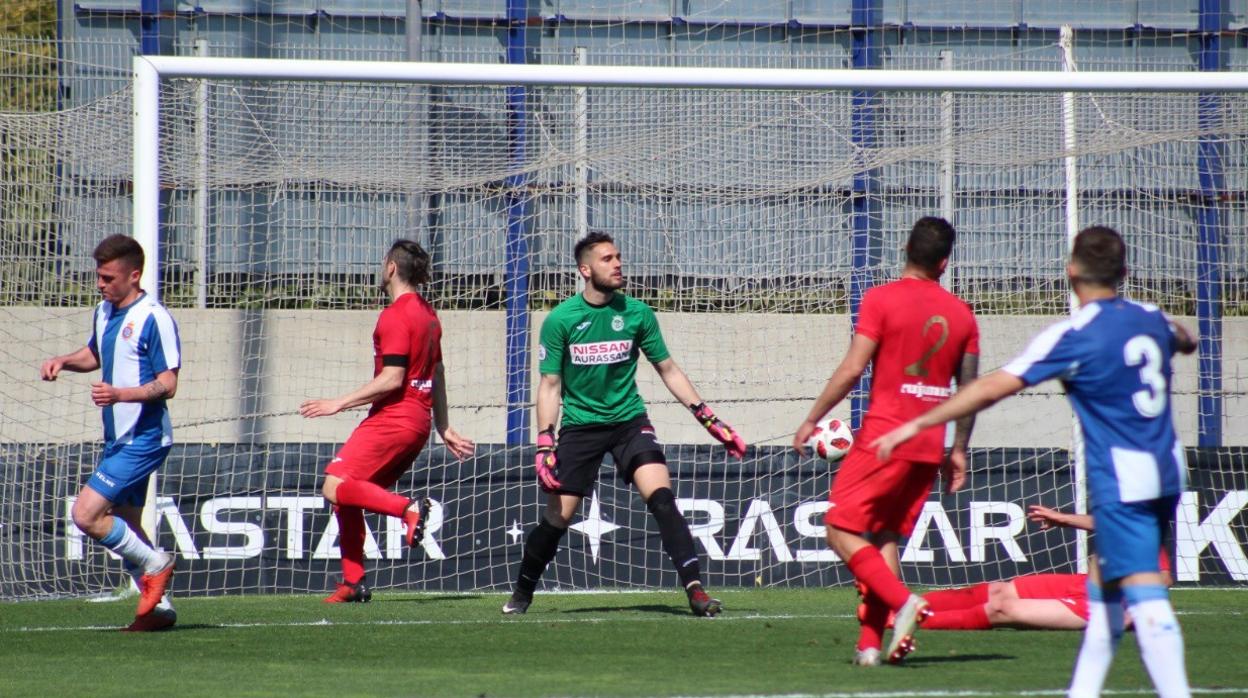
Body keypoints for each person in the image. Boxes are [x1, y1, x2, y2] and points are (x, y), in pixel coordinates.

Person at [872, 226, 1195, 697]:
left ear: (1070, 272)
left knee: (1146, 600)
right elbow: (1183, 337)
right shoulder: (1150, 316)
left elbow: (989, 386)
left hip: (1126, 478)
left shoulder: (1075, 334)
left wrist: (918, 424)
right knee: (1103, 603)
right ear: (1124, 273)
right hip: (1168, 468)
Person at [502, 231, 746, 617]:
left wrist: (708, 418)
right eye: (607, 259)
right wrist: (545, 443)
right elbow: (550, 385)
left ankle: (696, 591)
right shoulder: (561, 320)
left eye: (618, 257)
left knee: (662, 499)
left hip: (630, 422)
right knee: (557, 519)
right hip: (580, 428)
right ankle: (522, 592)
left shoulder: (637, 313)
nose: (617, 264)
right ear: (585, 269)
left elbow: (668, 369)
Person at [792, 216, 980, 666]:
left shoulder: (881, 299)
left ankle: (903, 604)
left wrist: (812, 418)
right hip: (928, 445)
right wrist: (957, 449)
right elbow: (969, 392)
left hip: (884, 437)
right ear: (945, 263)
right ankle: (870, 645)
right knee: (884, 537)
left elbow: (855, 368)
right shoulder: (963, 315)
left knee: (839, 527)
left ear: (905, 249)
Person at [300, 239, 475, 603]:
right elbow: (437, 371)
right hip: (418, 422)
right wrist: (442, 426)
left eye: (384, 264)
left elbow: (393, 379)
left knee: (334, 486)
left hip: (394, 417)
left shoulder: (395, 315)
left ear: (392, 268)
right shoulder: (428, 314)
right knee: (347, 496)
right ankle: (353, 582)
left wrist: (338, 403)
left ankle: (407, 509)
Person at [40, 234, 181, 632]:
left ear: (134, 275)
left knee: (85, 514)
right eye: (98, 277)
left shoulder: (153, 317)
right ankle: (159, 609)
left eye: (108, 277)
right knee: (127, 525)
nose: (101, 284)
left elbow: (167, 383)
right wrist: (63, 361)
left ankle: (157, 564)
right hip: (118, 438)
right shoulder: (104, 311)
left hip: (144, 437)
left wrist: (122, 393)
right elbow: (96, 354)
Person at [883, 505, 1171, 632]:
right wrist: (1065, 520)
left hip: (1110, 605)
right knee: (997, 590)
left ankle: (905, 621)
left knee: (1001, 608)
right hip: (1086, 583)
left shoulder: (1148, 515)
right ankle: (900, 606)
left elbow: (1164, 578)